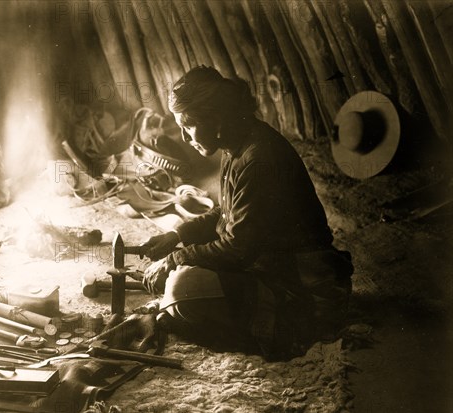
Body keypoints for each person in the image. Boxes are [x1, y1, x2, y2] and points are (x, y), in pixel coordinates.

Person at [140, 66, 353, 359]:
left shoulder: (259, 157)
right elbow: (226, 215)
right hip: (270, 265)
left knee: (182, 291)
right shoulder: (236, 144)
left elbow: (238, 248)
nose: (185, 138)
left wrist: (176, 258)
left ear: (214, 119)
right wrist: (176, 235)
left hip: (302, 283)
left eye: (188, 127)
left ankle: (287, 333)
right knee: (186, 277)